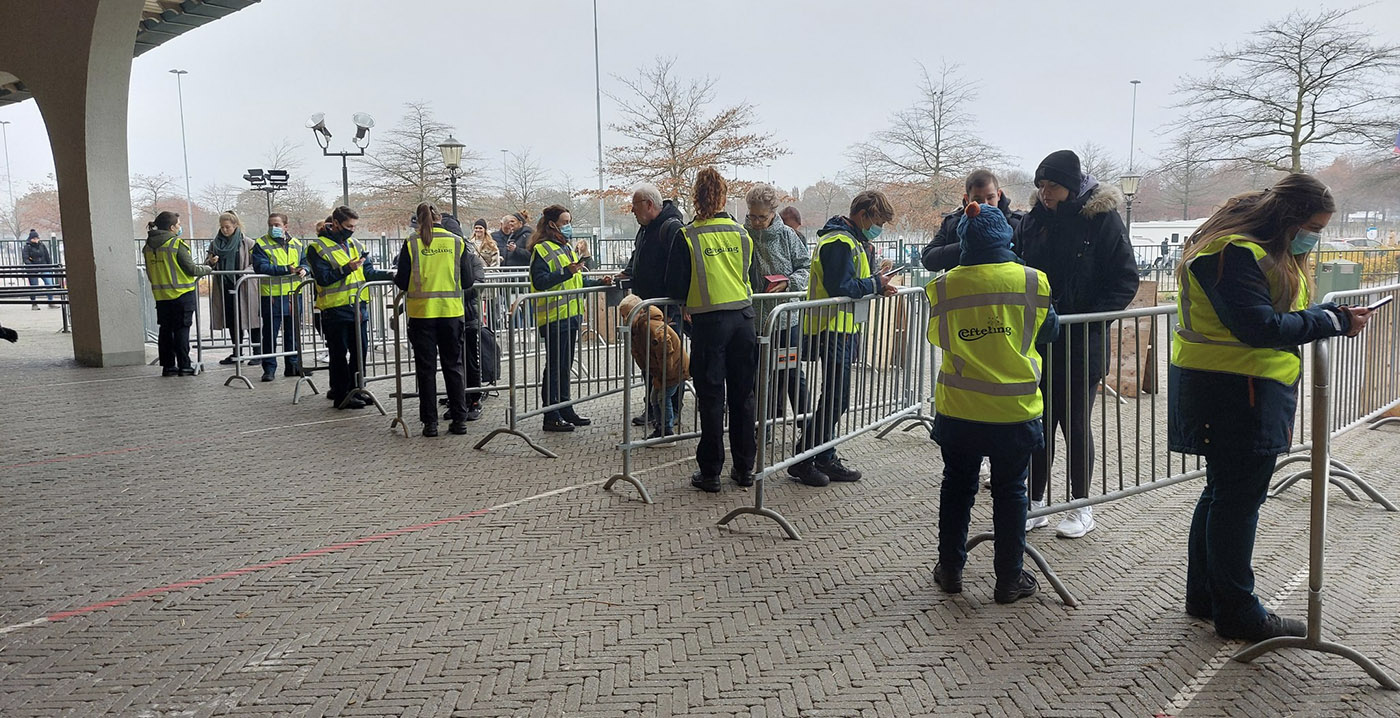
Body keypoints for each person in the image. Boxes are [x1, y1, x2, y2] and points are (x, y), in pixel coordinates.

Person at [1171, 173, 1371, 641]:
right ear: (1288, 219)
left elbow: (1270, 313)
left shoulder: (1250, 251)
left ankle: (1206, 596)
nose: (1314, 238)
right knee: (1237, 503)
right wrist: (1331, 320)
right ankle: (1239, 612)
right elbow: (1258, 325)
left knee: (1223, 494)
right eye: (1313, 228)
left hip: (1238, 389)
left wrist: (1321, 316)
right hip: (1236, 392)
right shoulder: (1233, 253)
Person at [926, 201, 1059, 605]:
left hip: (960, 407)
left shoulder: (944, 285)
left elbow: (939, 337)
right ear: (1006, 236)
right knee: (1010, 491)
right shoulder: (1033, 281)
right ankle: (1009, 579)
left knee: (957, 487)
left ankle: (950, 570)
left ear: (964, 243)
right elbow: (1048, 331)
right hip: (1014, 411)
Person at [1015, 149, 1139, 538]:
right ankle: (1035, 503)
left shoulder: (1102, 220)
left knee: (1074, 424)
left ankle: (1081, 505)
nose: (1045, 192)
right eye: (1040, 185)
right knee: (1038, 424)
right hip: (1039, 341)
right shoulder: (1035, 220)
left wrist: (1091, 321)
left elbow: (1125, 279)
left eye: (1051, 185)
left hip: (1081, 342)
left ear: (1070, 185)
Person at [788, 190, 899, 487]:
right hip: (831, 328)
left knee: (837, 398)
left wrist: (876, 285)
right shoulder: (839, 241)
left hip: (843, 328)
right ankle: (803, 457)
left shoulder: (851, 240)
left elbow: (850, 283)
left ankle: (823, 456)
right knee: (836, 400)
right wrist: (875, 282)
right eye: (878, 222)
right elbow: (842, 286)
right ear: (863, 216)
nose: (879, 229)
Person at [665, 167, 757, 492]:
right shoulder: (742, 234)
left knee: (712, 397)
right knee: (744, 397)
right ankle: (746, 469)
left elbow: (675, 285)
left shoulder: (688, 235)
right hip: (744, 320)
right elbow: (752, 278)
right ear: (724, 196)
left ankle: (711, 472)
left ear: (696, 196)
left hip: (709, 324)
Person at [394, 204, 477, 437]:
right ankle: (460, 420)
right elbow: (468, 280)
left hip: (422, 314)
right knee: (454, 367)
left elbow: (402, 280)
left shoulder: (412, 242)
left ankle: (430, 424)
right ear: (440, 218)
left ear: (418, 221)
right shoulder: (456, 242)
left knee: (426, 370)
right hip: (451, 312)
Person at [529, 204, 612, 432]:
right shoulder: (543, 249)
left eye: (569, 222)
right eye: (565, 222)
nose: (569, 226)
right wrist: (567, 271)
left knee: (565, 365)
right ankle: (551, 415)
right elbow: (540, 281)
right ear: (552, 224)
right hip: (554, 317)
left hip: (571, 315)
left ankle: (565, 407)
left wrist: (598, 283)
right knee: (555, 366)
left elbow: (577, 280)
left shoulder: (566, 248)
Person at [306, 206, 393, 409]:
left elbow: (368, 272)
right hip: (335, 309)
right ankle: (341, 394)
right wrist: (347, 268)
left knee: (360, 351)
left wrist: (390, 275)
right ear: (335, 224)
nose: (352, 230)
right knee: (338, 354)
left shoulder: (355, 244)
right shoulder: (317, 248)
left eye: (354, 226)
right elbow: (323, 278)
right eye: (348, 226)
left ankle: (357, 389)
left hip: (358, 307)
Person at [620, 182, 687, 430]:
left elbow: (679, 267)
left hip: (666, 309)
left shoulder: (671, 228)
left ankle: (671, 412)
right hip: (647, 308)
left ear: (649, 205)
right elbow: (638, 256)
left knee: (669, 363)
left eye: (635, 207)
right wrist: (627, 273)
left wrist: (677, 303)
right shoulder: (646, 229)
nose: (633, 212)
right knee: (650, 362)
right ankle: (653, 409)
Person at [745, 183, 811, 422]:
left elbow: (806, 267)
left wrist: (789, 283)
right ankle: (760, 426)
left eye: (762, 217)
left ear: (773, 212)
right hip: (752, 320)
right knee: (756, 376)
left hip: (785, 320)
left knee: (791, 373)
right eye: (752, 216)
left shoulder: (788, 236)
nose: (757, 222)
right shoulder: (743, 234)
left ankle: (808, 426)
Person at [143, 211, 211, 376]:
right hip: (181, 294)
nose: (180, 228)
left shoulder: (148, 246)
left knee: (165, 331)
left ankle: (168, 366)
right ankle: (184, 365)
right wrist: (208, 268)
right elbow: (191, 269)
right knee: (182, 331)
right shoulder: (175, 244)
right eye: (179, 225)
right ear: (172, 227)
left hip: (161, 296)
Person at [921, 169, 1025, 272]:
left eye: (990, 197)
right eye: (978, 200)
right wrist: (969, 244)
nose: (985, 204)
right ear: (967, 199)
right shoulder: (953, 223)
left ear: (998, 195)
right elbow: (928, 259)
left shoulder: (1018, 223)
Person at [619, 293, 689, 441]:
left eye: (628, 315)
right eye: (623, 316)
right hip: (661, 371)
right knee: (655, 398)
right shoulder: (639, 327)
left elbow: (665, 348)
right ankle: (660, 426)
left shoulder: (651, 327)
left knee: (663, 397)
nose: (625, 319)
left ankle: (666, 430)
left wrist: (664, 372)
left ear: (639, 312)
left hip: (672, 369)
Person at [250, 213, 309, 382]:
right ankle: (269, 369)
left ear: (286, 226)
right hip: (272, 296)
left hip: (293, 295)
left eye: (276, 224)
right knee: (270, 334)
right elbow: (261, 266)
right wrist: (286, 270)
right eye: (270, 224)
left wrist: (305, 269)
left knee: (292, 333)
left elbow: (305, 261)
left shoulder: (297, 244)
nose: (273, 228)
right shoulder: (261, 244)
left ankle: (293, 366)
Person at [442, 213, 488, 421]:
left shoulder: (472, 259)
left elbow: (476, 286)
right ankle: (457, 400)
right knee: (452, 363)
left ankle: (474, 400)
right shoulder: (442, 259)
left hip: (467, 317)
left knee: (470, 361)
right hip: (446, 316)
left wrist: (453, 290)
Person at [206, 212, 261, 364]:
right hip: (225, 287)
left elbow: (255, 263)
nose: (224, 230)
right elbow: (208, 263)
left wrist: (244, 274)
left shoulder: (247, 242)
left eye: (228, 227)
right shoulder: (215, 243)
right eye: (222, 227)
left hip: (244, 286)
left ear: (235, 225)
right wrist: (211, 261)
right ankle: (237, 353)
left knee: (250, 319)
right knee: (232, 321)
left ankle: (258, 353)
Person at [22, 229, 55, 309]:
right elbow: (25, 258)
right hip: (33, 269)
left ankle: (50, 302)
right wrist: (32, 266)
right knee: (34, 286)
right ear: (31, 239)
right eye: (34, 238)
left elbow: (47, 256)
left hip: (44, 267)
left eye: (37, 238)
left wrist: (49, 266)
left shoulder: (42, 245)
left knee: (49, 284)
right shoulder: (27, 247)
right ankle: (34, 303)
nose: (36, 240)